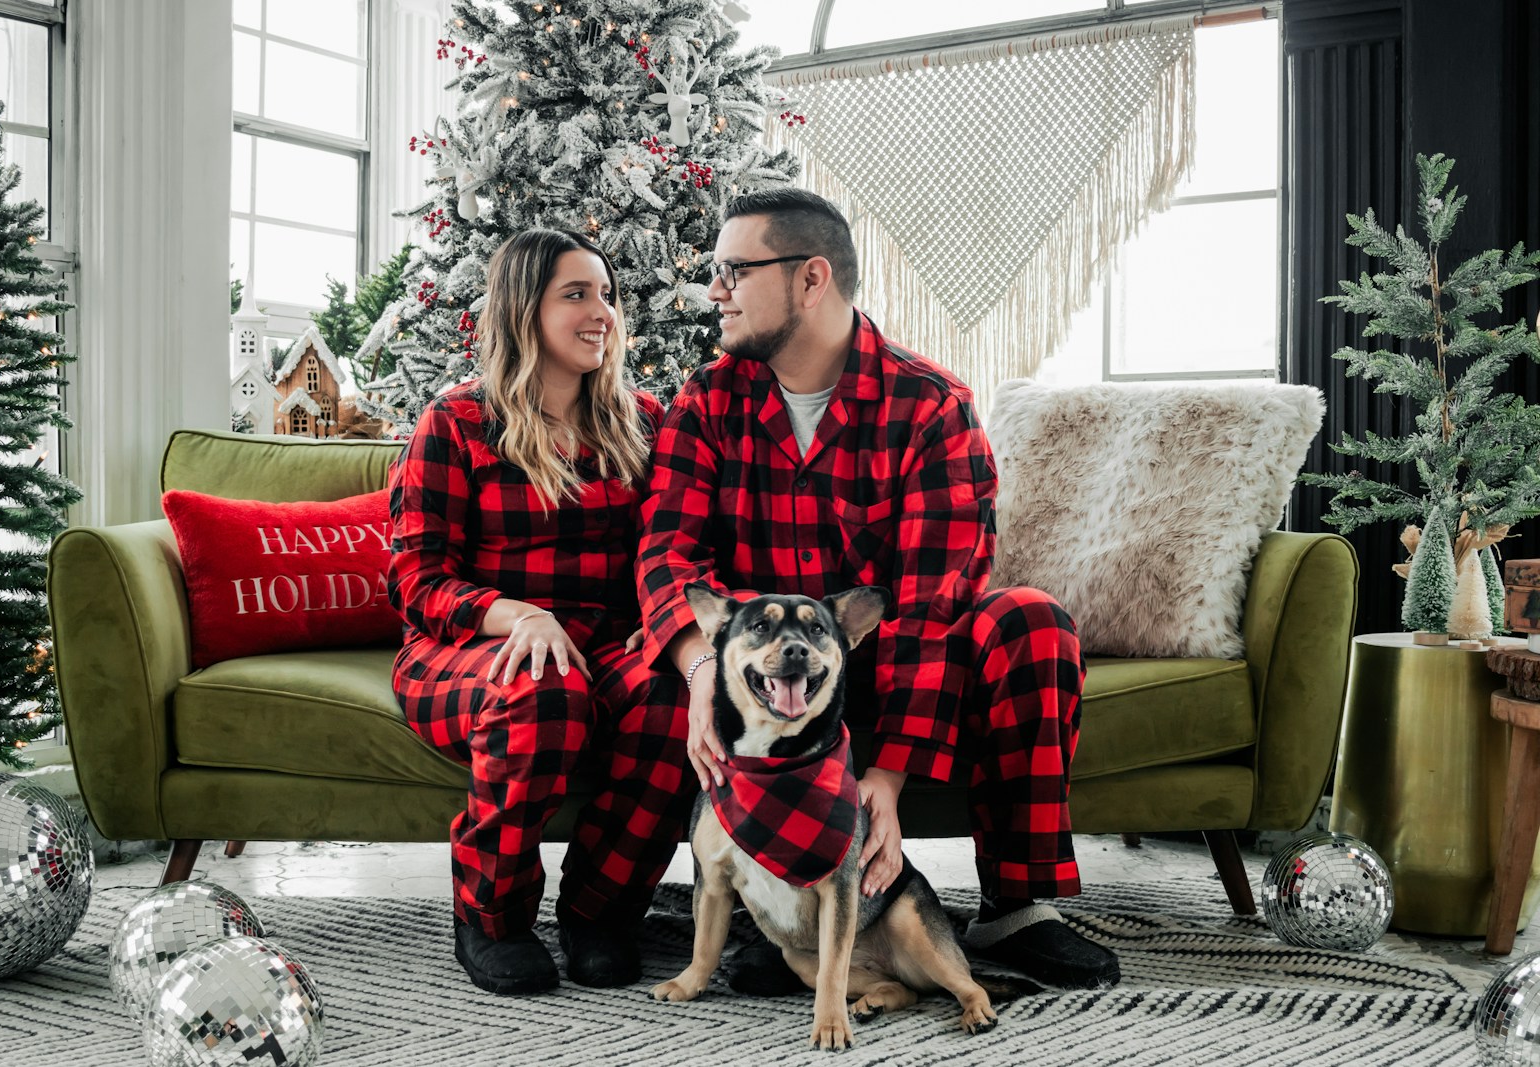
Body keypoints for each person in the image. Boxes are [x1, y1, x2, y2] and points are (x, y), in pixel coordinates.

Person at [635, 189, 1120, 991]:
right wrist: (697, 669)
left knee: (1030, 620)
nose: (713, 291)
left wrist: (885, 780)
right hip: (753, 681)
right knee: (658, 658)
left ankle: (1020, 906)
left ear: (811, 278)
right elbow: (667, 555)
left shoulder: (931, 406)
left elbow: (935, 606)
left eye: (733, 271)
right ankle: (761, 903)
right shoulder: (707, 399)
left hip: (890, 676)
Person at [390, 228, 689, 996]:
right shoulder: (456, 422)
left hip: (603, 641)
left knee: (672, 701)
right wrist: (513, 615)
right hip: (469, 644)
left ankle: (600, 910)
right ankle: (491, 915)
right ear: (526, 310)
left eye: (608, 295)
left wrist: (656, 620)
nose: (604, 313)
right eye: (577, 294)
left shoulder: (642, 420)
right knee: (544, 689)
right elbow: (418, 581)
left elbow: (669, 545)